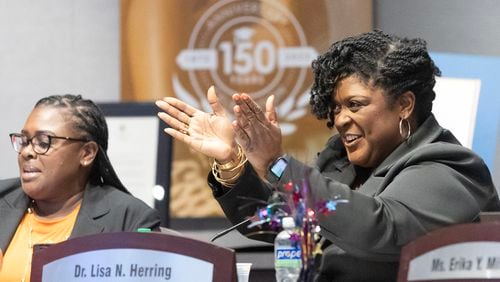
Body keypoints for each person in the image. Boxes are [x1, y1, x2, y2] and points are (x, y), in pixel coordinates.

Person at [156, 30, 500, 281]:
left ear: (404, 104)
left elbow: (379, 228)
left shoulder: (450, 166)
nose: (339, 120)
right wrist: (233, 161)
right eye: (335, 109)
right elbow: (277, 224)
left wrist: (276, 164)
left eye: (355, 105)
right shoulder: (340, 162)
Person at [0, 94, 160, 281]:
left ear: (87, 153)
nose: (26, 152)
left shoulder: (129, 220)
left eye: (43, 142)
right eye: (25, 141)